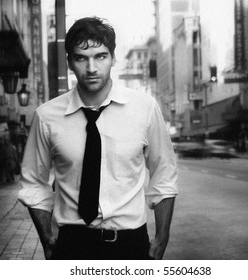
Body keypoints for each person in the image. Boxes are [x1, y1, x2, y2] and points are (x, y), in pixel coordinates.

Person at [18, 17, 178, 260]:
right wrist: (46, 237)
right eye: (81, 58)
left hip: (130, 244)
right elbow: (33, 181)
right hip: (72, 244)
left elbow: (164, 172)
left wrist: (162, 235)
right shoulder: (47, 116)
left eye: (101, 56)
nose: (91, 68)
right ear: (70, 62)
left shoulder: (144, 108)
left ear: (113, 58)